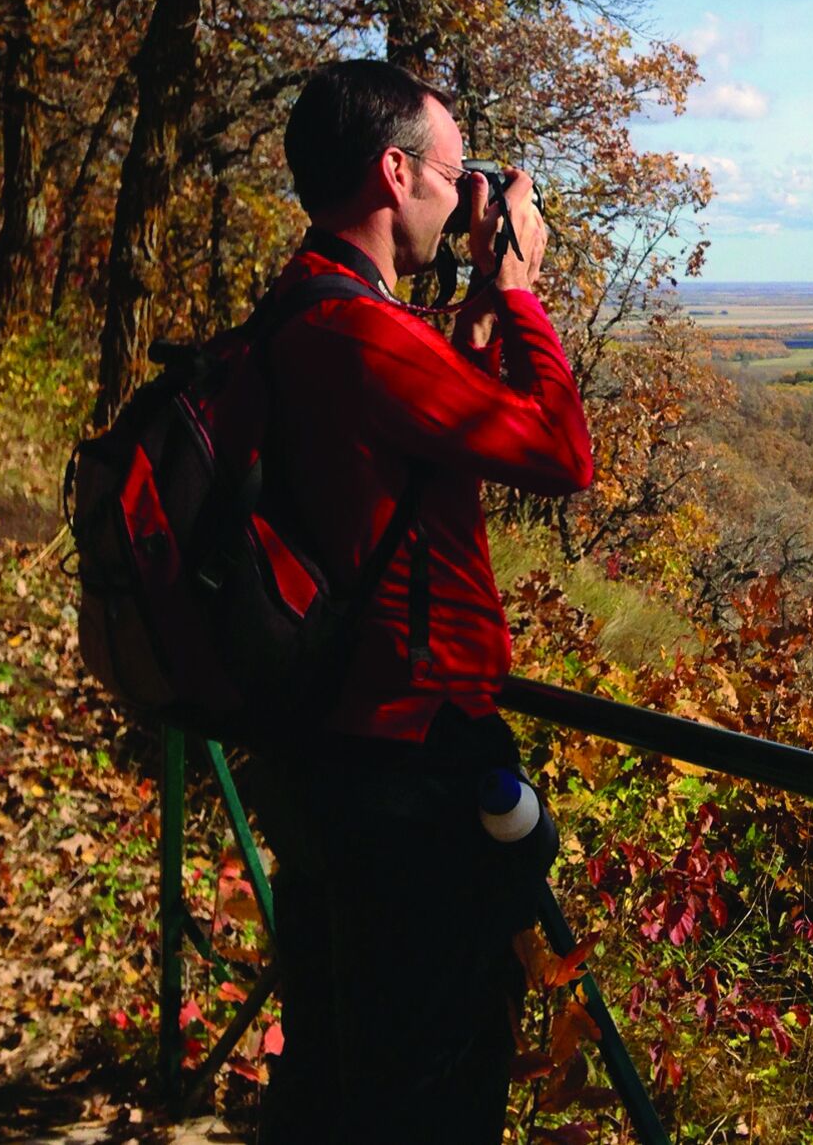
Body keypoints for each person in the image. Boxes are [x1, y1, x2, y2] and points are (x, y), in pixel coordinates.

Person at [243, 59, 594, 1144]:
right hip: (405, 767)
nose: (465, 194)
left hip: (319, 752)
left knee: (333, 1074)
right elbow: (557, 450)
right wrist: (525, 291)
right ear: (395, 173)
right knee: (428, 1089)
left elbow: (429, 434)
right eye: (454, 170)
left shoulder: (302, 311)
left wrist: (481, 309)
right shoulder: (360, 333)